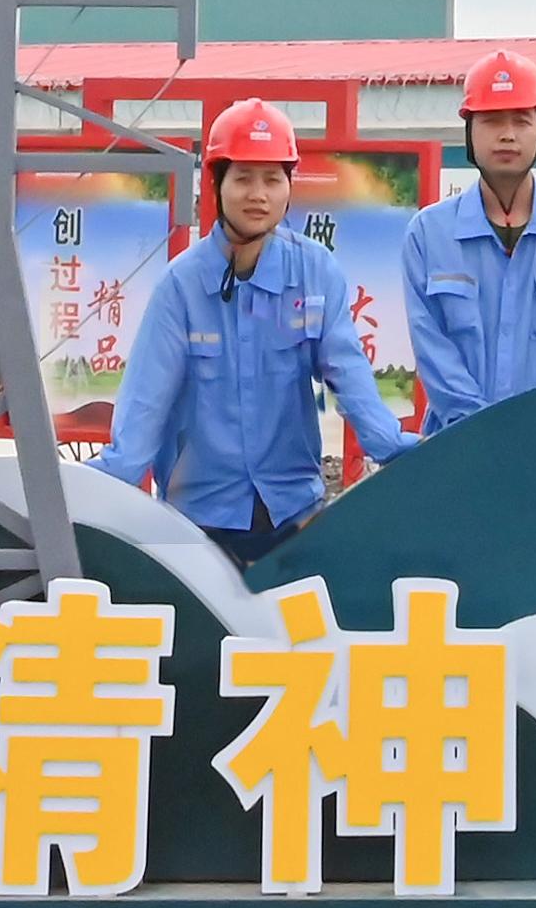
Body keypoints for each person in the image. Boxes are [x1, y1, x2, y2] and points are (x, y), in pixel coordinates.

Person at [98, 102, 420, 567]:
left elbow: (349, 375)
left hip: (292, 514)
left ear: (289, 186)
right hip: (198, 520)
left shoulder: (315, 272)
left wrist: (398, 449)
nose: (258, 194)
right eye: (243, 178)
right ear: (217, 183)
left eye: (272, 179)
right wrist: (88, 489)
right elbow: (145, 405)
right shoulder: (181, 286)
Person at [399, 45, 536, 425]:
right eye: (492, 121)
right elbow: (432, 348)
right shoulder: (429, 234)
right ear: (469, 131)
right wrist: (483, 431)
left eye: (521, 121)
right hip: (458, 441)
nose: (508, 135)